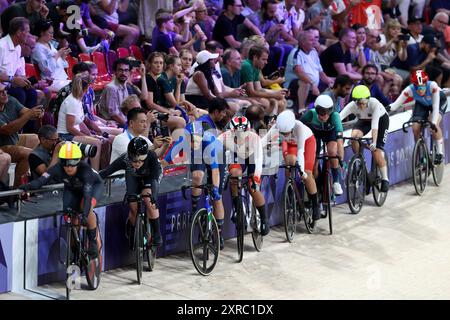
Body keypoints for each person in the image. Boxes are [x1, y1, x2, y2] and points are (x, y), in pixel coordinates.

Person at [20, 142, 103, 258]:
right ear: (61, 161)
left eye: (73, 163)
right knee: (71, 218)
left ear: (79, 161)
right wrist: (26, 186)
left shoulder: (85, 170)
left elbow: (87, 195)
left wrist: (84, 215)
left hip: (93, 187)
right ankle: (75, 249)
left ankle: (93, 241)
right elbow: (41, 181)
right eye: (65, 163)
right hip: (72, 189)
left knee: (86, 207)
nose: (69, 167)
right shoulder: (57, 168)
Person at [261, 110, 321, 228]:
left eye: (286, 132)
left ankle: (315, 204)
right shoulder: (276, 127)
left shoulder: (300, 128)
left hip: (306, 143)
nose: (284, 133)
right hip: (290, 144)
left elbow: (300, 151)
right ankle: (291, 187)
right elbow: (262, 142)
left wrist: (302, 171)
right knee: (289, 162)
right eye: (282, 132)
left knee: (307, 174)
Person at [100, 137, 163, 248]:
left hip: (150, 177)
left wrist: (154, 196)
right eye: (134, 160)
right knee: (132, 203)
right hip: (134, 177)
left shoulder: (152, 157)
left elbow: (154, 180)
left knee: (149, 199)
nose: (138, 163)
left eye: (141, 160)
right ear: (129, 157)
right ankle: (132, 226)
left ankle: (157, 233)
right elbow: (107, 172)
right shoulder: (124, 159)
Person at [218, 115, 269, 235]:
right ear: (231, 132)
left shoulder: (254, 138)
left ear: (249, 131)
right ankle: (236, 207)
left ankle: (264, 218)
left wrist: (255, 177)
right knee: (235, 174)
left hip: (251, 158)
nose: (241, 137)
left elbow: (258, 161)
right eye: (238, 135)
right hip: (235, 158)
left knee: (253, 187)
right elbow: (213, 151)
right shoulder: (224, 137)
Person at [388, 70, 447, 164]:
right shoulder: (409, 90)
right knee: (415, 127)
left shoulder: (433, 86)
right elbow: (395, 105)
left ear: (426, 83)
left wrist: (434, 123)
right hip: (422, 104)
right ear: (413, 85)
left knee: (433, 124)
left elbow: (435, 107)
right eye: (418, 87)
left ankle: (439, 153)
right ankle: (422, 154)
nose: (420, 89)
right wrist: (385, 109)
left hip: (439, 102)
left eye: (423, 86)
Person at [340, 85, 390, 192]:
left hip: (380, 121)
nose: (361, 105)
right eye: (358, 103)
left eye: (363, 103)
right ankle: (359, 160)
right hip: (364, 120)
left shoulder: (374, 103)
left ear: (368, 99)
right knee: (354, 137)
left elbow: (375, 125)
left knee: (376, 151)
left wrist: (375, 142)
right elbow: (338, 118)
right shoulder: (352, 106)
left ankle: (385, 179)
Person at [56, 74, 103, 171]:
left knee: (100, 139)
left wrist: (90, 134)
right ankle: (95, 173)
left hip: (71, 134)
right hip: (64, 136)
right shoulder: (72, 102)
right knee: (96, 143)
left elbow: (81, 122)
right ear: (86, 88)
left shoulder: (78, 100)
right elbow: (70, 128)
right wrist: (87, 137)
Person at [0, 17, 38, 132]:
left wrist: (24, 81)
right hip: (2, 87)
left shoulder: (17, 48)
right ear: (19, 32)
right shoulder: (1, 46)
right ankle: (14, 129)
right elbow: (11, 77)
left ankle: (28, 131)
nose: (29, 34)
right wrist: (12, 79)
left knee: (31, 92)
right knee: (19, 93)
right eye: (27, 31)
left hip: (10, 85)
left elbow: (17, 73)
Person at [0, 83, 41, 188]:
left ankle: (31, 179)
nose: (4, 93)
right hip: (2, 145)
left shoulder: (10, 100)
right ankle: (18, 191)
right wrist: (28, 115)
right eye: (0, 92)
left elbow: (27, 112)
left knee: (35, 138)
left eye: (5, 90)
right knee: (28, 154)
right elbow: (8, 130)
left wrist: (37, 113)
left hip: (11, 140)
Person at [301, 95, 344, 195]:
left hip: (330, 134)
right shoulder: (310, 114)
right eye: (321, 112)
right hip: (315, 135)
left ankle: (336, 182)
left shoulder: (335, 116)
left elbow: (340, 140)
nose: (324, 115)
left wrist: (340, 157)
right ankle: (315, 187)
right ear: (316, 110)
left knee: (332, 152)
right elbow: (297, 126)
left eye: (327, 112)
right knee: (314, 164)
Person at [31, 19, 71, 93]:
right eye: (50, 32)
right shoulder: (38, 48)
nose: (52, 35)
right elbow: (47, 70)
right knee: (76, 87)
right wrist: (57, 55)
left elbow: (63, 66)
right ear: (42, 32)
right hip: (51, 81)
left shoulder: (50, 45)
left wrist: (62, 57)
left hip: (62, 78)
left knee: (82, 85)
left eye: (52, 32)